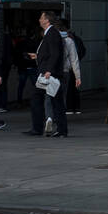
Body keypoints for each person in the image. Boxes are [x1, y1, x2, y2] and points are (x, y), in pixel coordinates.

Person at [26, 10, 67, 138]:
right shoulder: (49, 33)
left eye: (41, 18)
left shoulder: (52, 33)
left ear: (47, 20)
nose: (39, 20)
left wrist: (49, 70)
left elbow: (55, 53)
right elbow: (50, 53)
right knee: (52, 101)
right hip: (47, 73)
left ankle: (43, 128)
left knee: (45, 100)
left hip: (49, 74)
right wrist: (38, 56)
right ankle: (58, 129)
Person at [56, 18, 82, 127]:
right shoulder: (70, 39)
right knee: (63, 95)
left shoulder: (52, 38)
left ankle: (51, 116)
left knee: (50, 96)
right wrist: (78, 76)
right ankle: (61, 118)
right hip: (66, 70)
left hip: (52, 71)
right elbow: (74, 58)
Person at [13, 30, 37, 109]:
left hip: (22, 67)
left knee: (21, 85)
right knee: (36, 85)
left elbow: (16, 55)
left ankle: (19, 101)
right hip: (32, 66)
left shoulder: (20, 43)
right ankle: (37, 101)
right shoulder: (34, 43)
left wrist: (17, 64)